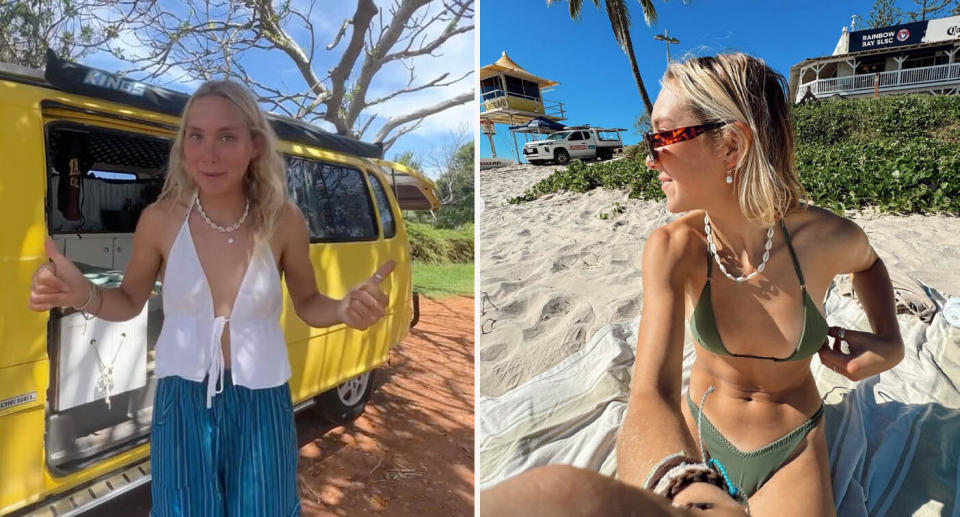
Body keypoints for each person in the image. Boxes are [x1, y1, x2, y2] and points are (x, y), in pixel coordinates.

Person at [480, 53, 904, 516]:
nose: (648, 158)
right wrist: (686, 488)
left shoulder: (823, 238)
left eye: (662, 135)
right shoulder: (673, 248)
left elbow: (870, 264)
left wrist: (890, 341)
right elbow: (650, 394)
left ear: (731, 146)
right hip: (697, 436)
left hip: (793, 445)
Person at [28, 80, 394, 516]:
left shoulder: (284, 221)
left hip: (262, 397)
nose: (209, 153)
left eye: (227, 136)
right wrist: (84, 294)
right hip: (181, 399)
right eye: (195, 136)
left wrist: (342, 308)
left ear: (254, 145)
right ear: (183, 145)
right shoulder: (159, 220)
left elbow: (308, 301)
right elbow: (128, 300)